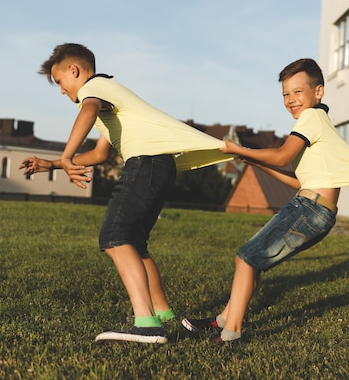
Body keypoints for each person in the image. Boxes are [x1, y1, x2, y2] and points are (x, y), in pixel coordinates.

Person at [19, 43, 233, 344]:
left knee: (114, 236)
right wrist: (53, 164)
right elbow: (98, 154)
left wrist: (66, 156)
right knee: (134, 243)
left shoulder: (95, 89)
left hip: (147, 163)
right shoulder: (107, 95)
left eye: (60, 82)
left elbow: (88, 111)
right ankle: (163, 315)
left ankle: (146, 325)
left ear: (74, 71)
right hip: (158, 164)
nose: (61, 90)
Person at [181, 58, 349, 342]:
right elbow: (299, 181)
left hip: (310, 208)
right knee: (253, 260)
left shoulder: (311, 118)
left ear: (318, 92)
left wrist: (240, 148)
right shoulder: (320, 124)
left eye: (297, 92)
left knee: (246, 258)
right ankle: (222, 321)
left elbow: (281, 155)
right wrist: (256, 163)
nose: (291, 100)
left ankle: (231, 332)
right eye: (285, 94)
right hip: (314, 208)